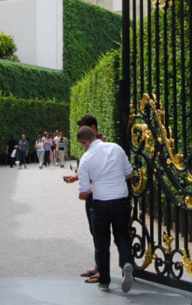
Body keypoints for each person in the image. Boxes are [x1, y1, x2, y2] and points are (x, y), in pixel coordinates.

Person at [76, 126, 135, 293]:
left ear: (83, 141)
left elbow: (84, 190)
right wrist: (114, 177)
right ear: (95, 135)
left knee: (102, 242)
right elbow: (129, 173)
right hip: (121, 199)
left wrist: (91, 188)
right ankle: (126, 263)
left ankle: (104, 281)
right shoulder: (116, 147)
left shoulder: (86, 158)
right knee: (122, 236)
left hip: (101, 202)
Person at [65, 115, 104, 283]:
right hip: (93, 195)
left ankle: (103, 271)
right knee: (95, 232)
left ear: (93, 128)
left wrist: (88, 189)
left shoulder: (102, 146)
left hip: (98, 196)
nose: (80, 133)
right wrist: (76, 177)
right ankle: (99, 266)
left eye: (83, 128)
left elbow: (103, 173)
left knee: (100, 233)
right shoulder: (90, 145)